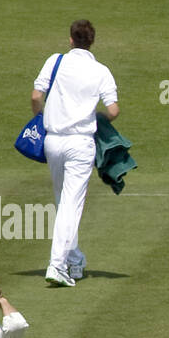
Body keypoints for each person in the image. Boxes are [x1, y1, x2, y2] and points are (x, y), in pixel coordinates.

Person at [31, 20, 118, 288]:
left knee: (63, 203)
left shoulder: (55, 61)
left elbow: (36, 96)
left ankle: (75, 260)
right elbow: (113, 110)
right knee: (69, 206)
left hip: (53, 142)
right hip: (80, 144)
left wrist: (41, 119)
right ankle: (57, 266)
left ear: (70, 40)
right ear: (92, 42)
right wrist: (99, 117)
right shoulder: (101, 70)